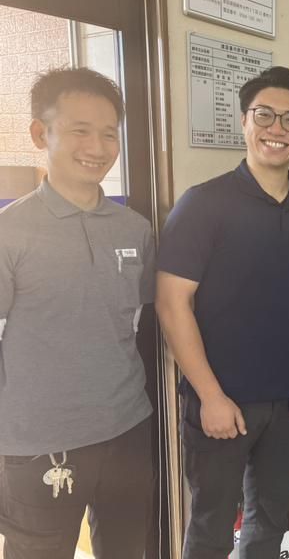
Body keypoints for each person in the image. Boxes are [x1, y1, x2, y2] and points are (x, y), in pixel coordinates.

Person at [156, 66, 289, 559]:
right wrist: (210, 396)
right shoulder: (204, 204)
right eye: (265, 115)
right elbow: (171, 303)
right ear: (244, 121)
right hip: (221, 399)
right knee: (210, 527)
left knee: (269, 523)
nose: (278, 129)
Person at [0, 67, 155, 559]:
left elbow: (138, 322)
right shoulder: (10, 231)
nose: (97, 146)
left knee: (128, 550)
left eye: (109, 133)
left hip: (127, 428)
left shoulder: (135, 229)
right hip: (38, 444)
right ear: (40, 134)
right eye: (80, 130)